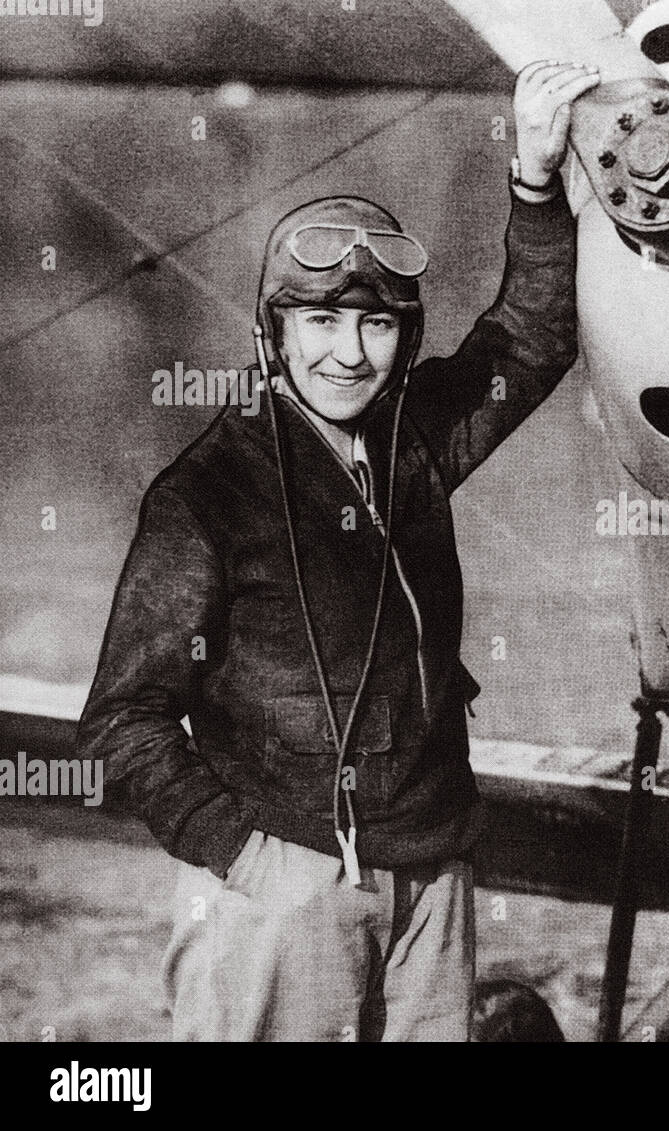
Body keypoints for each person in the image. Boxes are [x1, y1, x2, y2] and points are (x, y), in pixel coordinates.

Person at [76, 59, 600, 1041]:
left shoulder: (411, 448)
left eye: (375, 326)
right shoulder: (206, 496)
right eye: (319, 321)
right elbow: (123, 722)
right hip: (282, 896)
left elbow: (531, 338)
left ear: (402, 342)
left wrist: (535, 180)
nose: (347, 353)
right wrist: (248, 858)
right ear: (274, 335)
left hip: (430, 887)